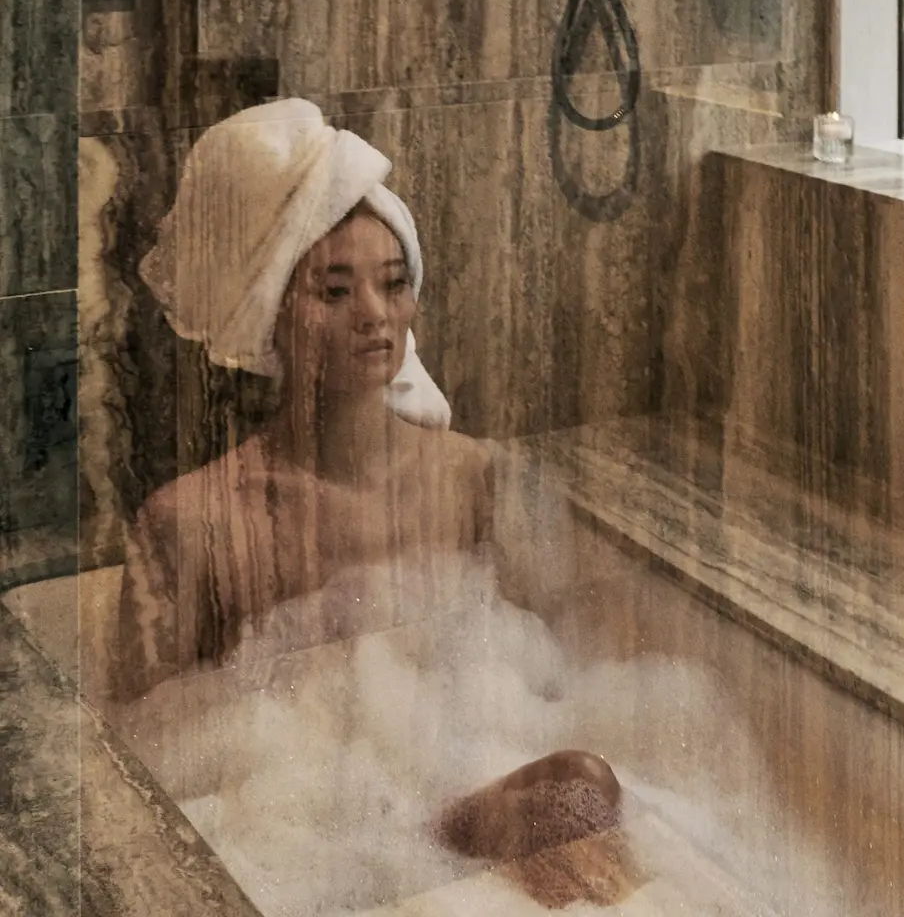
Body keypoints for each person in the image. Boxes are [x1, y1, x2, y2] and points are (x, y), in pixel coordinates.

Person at [113, 100, 632, 893]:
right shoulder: (195, 521)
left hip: (430, 813)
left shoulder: (470, 476)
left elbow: (558, 678)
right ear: (271, 315)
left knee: (580, 783)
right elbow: (141, 778)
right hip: (288, 842)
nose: (375, 318)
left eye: (394, 285)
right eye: (334, 292)